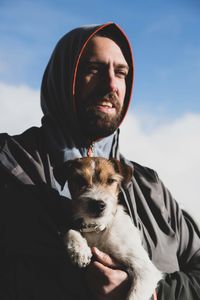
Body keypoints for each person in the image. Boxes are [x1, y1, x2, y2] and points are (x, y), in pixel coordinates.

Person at [0, 22, 200, 300]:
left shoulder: (151, 186)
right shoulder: (7, 164)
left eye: (121, 73)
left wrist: (154, 293)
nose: (110, 84)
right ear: (63, 77)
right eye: (93, 69)